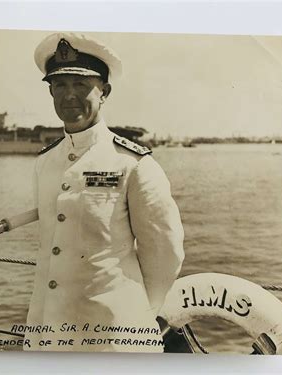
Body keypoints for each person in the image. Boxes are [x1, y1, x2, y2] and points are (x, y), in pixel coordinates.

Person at [24, 32, 185, 353]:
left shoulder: (133, 163)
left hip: (113, 339)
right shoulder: (45, 162)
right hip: (47, 334)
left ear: (104, 92)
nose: (69, 95)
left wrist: (137, 314)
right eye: (60, 85)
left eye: (81, 85)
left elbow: (165, 253)